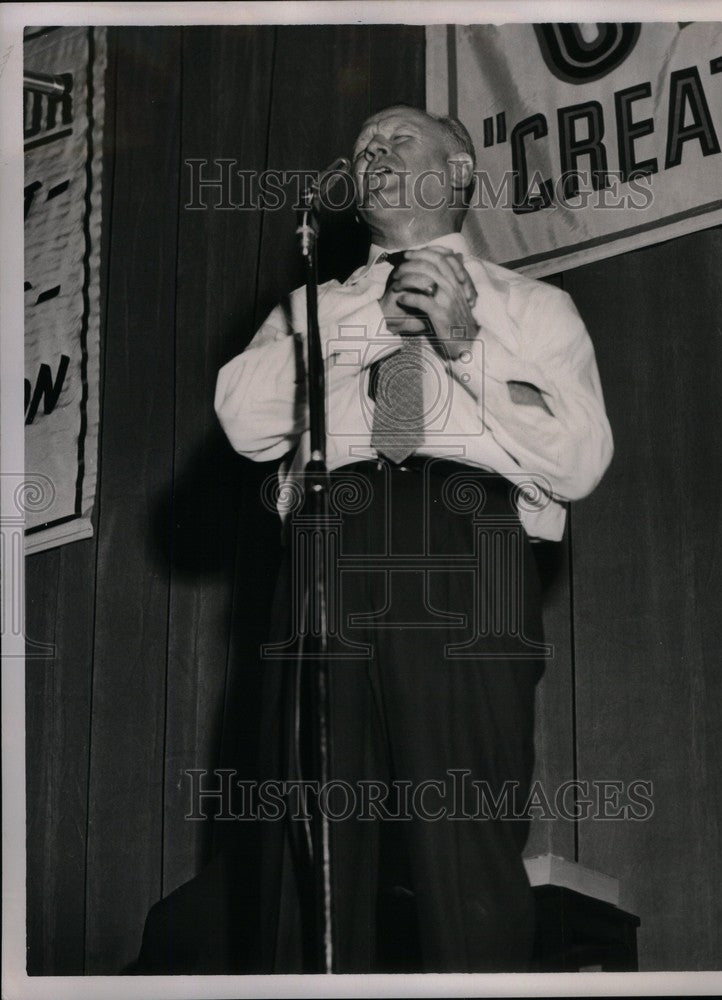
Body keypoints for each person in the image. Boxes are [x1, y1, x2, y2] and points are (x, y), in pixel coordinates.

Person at [213, 104, 613, 973]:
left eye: (397, 140)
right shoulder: (309, 308)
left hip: (470, 546)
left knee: (466, 837)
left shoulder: (536, 308)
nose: (373, 155)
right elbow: (243, 421)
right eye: (361, 149)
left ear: (460, 173)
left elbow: (581, 461)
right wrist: (376, 321)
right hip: (329, 545)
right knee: (312, 845)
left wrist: (465, 344)